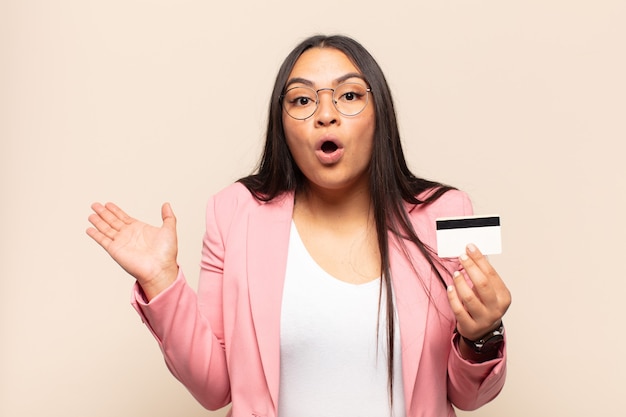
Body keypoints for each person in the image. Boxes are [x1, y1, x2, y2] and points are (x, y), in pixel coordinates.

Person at [87, 34, 511, 417]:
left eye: (348, 95)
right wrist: (163, 282)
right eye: (302, 100)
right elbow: (214, 388)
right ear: (282, 126)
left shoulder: (449, 211)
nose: (325, 114)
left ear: (380, 114)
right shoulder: (234, 211)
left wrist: (482, 334)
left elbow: (469, 397)